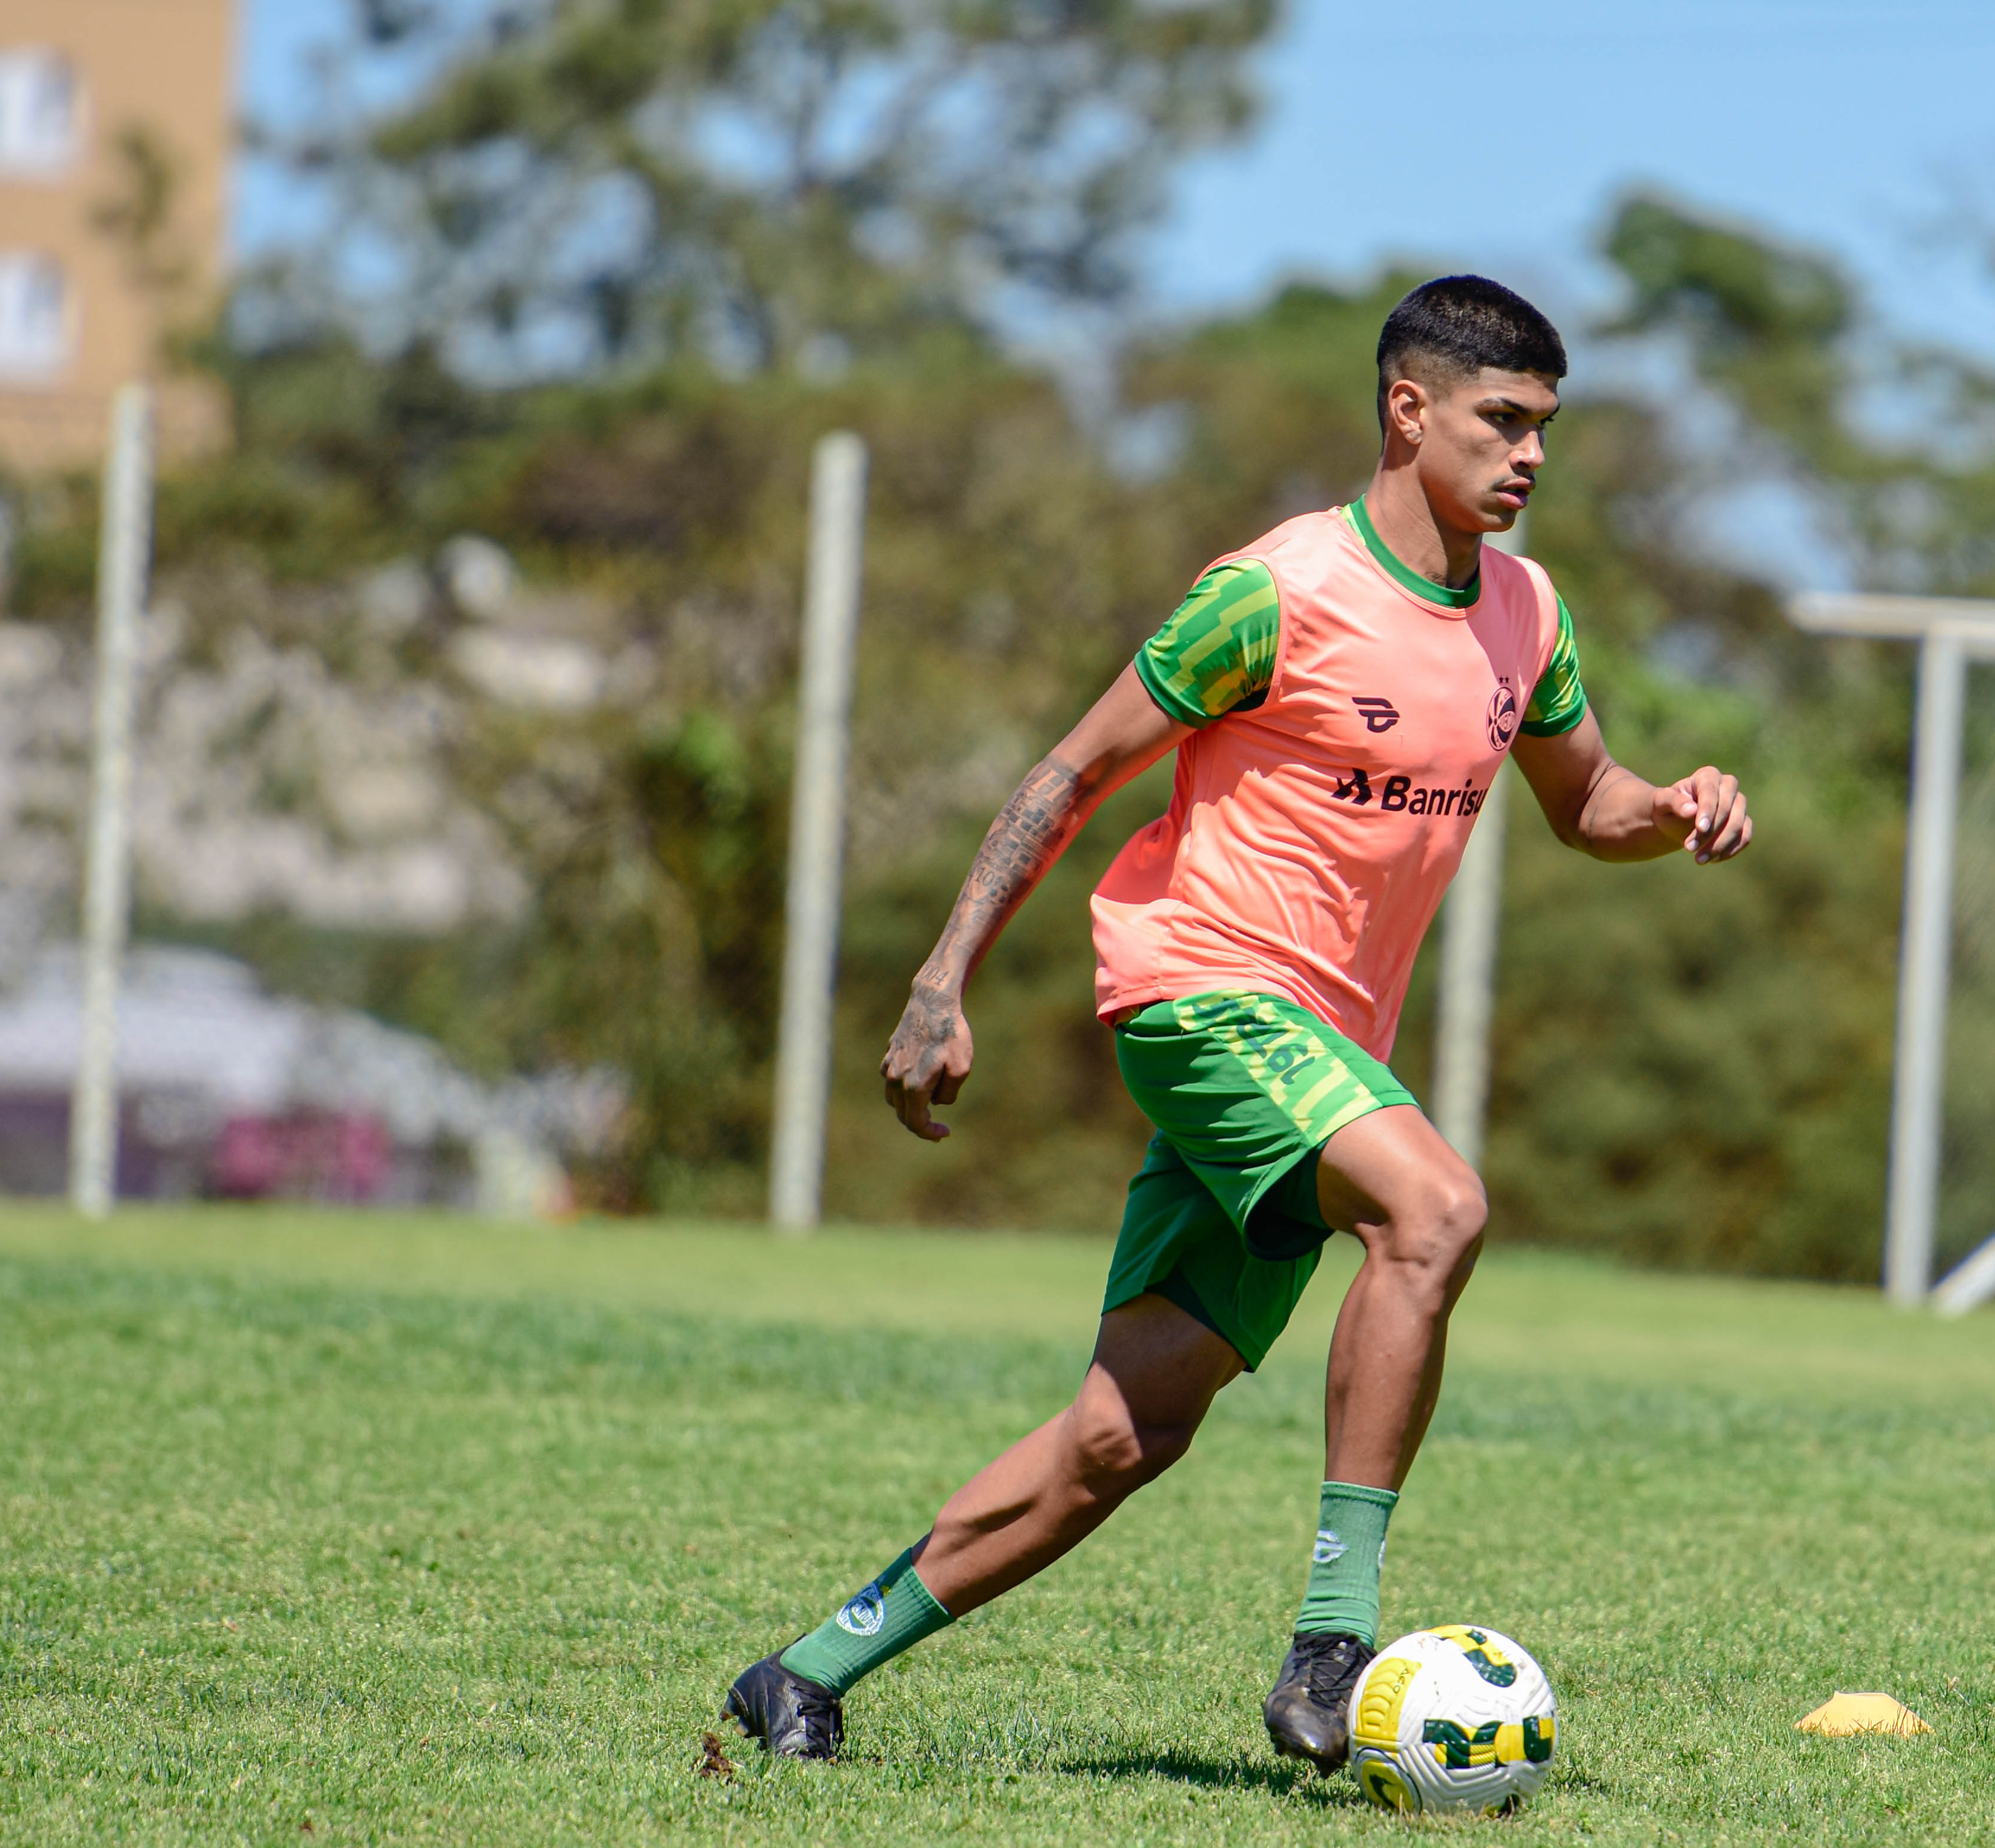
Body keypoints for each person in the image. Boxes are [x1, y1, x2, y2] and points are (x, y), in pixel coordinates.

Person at [726, 274, 1753, 1768]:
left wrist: (1670, 807)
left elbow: (1586, 800)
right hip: (1199, 996)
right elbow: (1068, 774)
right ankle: (1333, 1649)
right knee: (1438, 1209)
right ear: (1410, 411)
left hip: (1322, 1051)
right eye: (1503, 421)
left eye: (1547, 428)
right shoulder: (1278, 590)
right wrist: (939, 981)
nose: (1532, 456)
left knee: (1122, 1437)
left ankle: (803, 1674)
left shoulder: (1527, 612)